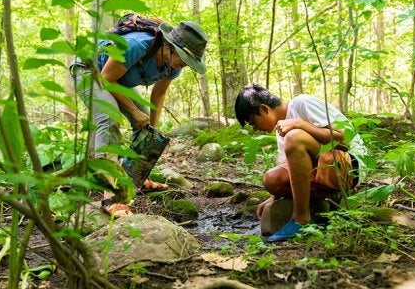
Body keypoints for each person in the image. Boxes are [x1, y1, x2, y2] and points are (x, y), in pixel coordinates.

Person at [71, 19, 208, 210]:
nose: (183, 65)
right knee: (109, 118)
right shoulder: (136, 45)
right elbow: (107, 78)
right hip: (89, 69)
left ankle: (135, 178)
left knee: (144, 122)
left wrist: (152, 129)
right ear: (169, 46)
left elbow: (159, 94)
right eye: (184, 59)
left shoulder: (173, 67)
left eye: (189, 62)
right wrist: (134, 112)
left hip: (114, 78)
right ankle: (109, 196)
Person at [234, 84, 367, 242]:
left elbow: (344, 138)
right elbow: (294, 171)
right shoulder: (280, 131)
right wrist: (275, 197)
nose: (255, 129)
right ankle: (329, 198)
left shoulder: (301, 103)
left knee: (294, 137)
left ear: (264, 109)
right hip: (325, 168)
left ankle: (301, 219)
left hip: (351, 165)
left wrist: (300, 124)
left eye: (252, 123)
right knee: (272, 179)